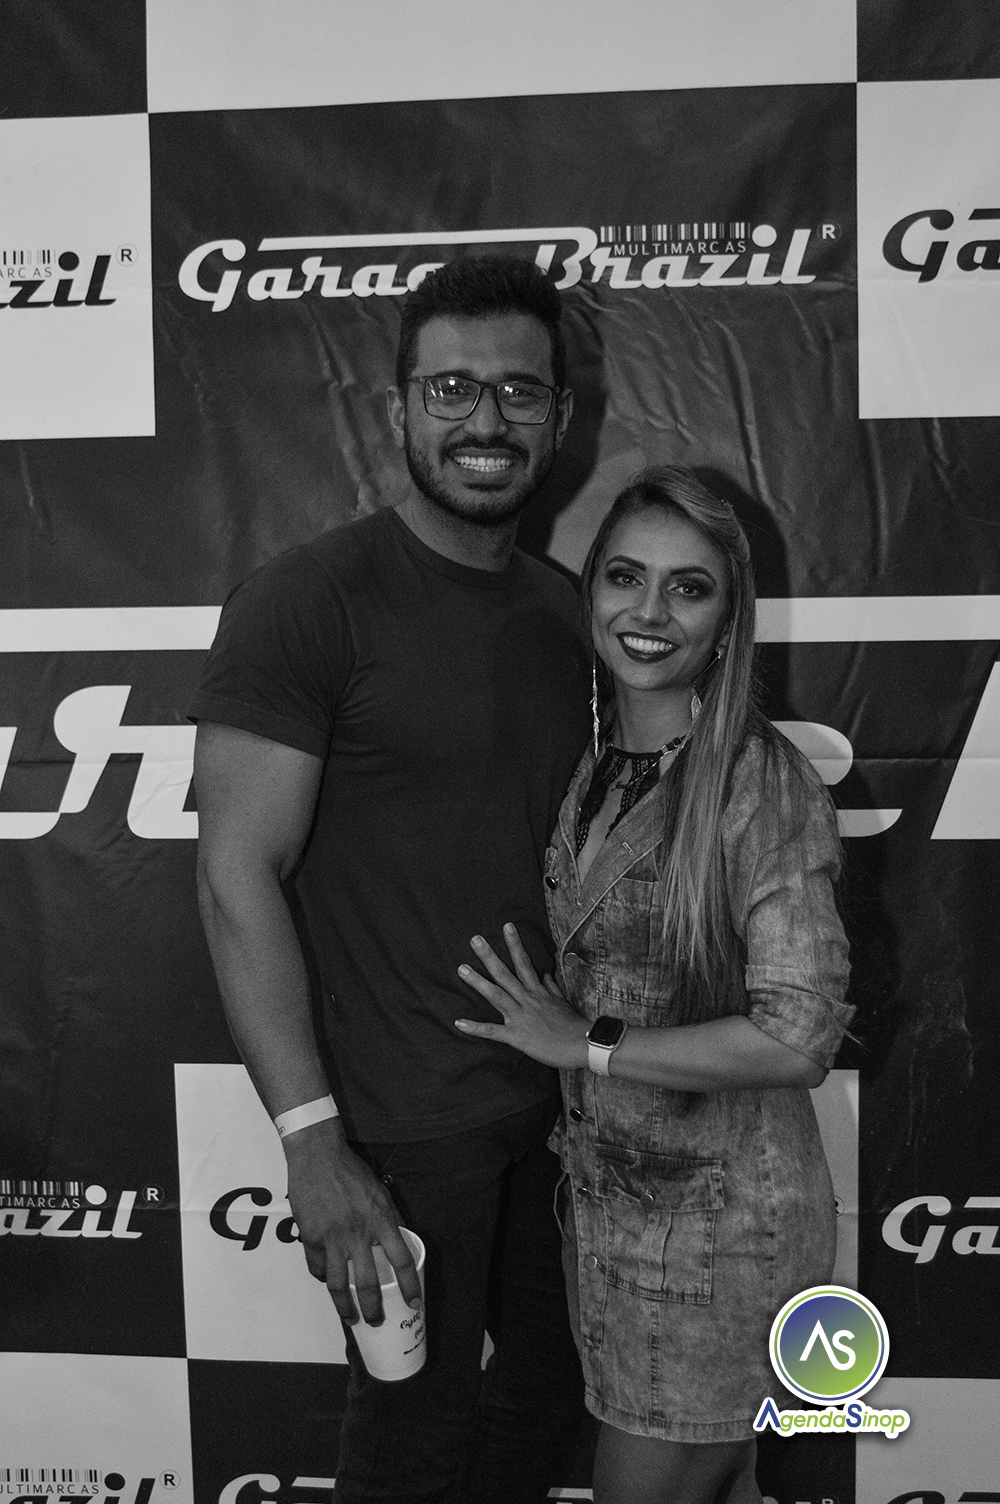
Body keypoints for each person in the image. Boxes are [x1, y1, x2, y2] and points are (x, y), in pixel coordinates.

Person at [190, 255, 592, 1503]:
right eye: (453, 388)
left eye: (519, 392)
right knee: (411, 1444)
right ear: (399, 407)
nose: (487, 421)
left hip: (561, 1112)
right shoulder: (307, 600)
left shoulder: (569, 610)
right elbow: (234, 875)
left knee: (547, 1411)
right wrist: (313, 1145)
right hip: (402, 1134)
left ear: (560, 416)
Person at [454, 466, 853, 1504]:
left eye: (689, 587)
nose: (649, 611)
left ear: (728, 619)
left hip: (721, 1241)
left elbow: (798, 1036)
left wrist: (583, 1041)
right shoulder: (596, 766)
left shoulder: (758, 781)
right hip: (616, 1221)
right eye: (626, 576)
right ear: (590, 590)